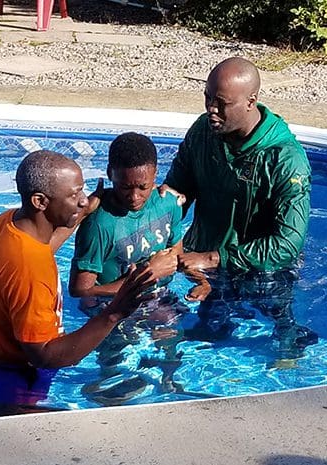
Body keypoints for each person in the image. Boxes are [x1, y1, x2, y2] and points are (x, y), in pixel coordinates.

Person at [0, 150, 172, 416]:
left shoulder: (9, 223)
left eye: (82, 191)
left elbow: (44, 247)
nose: (83, 200)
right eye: (74, 195)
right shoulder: (31, 269)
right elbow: (44, 356)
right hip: (17, 376)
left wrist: (82, 213)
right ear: (40, 201)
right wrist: (115, 313)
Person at [160, 56, 318, 357]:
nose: (211, 110)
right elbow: (178, 190)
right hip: (203, 261)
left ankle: (289, 341)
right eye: (207, 98)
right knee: (207, 335)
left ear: (251, 102)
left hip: (263, 268)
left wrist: (213, 257)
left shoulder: (286, 160)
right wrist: (150, 215)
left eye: (221, 103)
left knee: (281, 335)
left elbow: (288, 244)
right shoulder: (203, 131)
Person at [69, 132, 209, 403]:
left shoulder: (168, 204)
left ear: (156, 174)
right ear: (110, 174)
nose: (134, 197)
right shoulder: (100, 225)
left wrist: (200, 280)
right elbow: (80, 288)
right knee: (117, 367)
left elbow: (176, 256)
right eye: (124, 187)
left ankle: (168, 384)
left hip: (154, 298)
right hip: (109, 305)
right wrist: (148, 275)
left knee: (172, 337)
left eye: (143, 187)